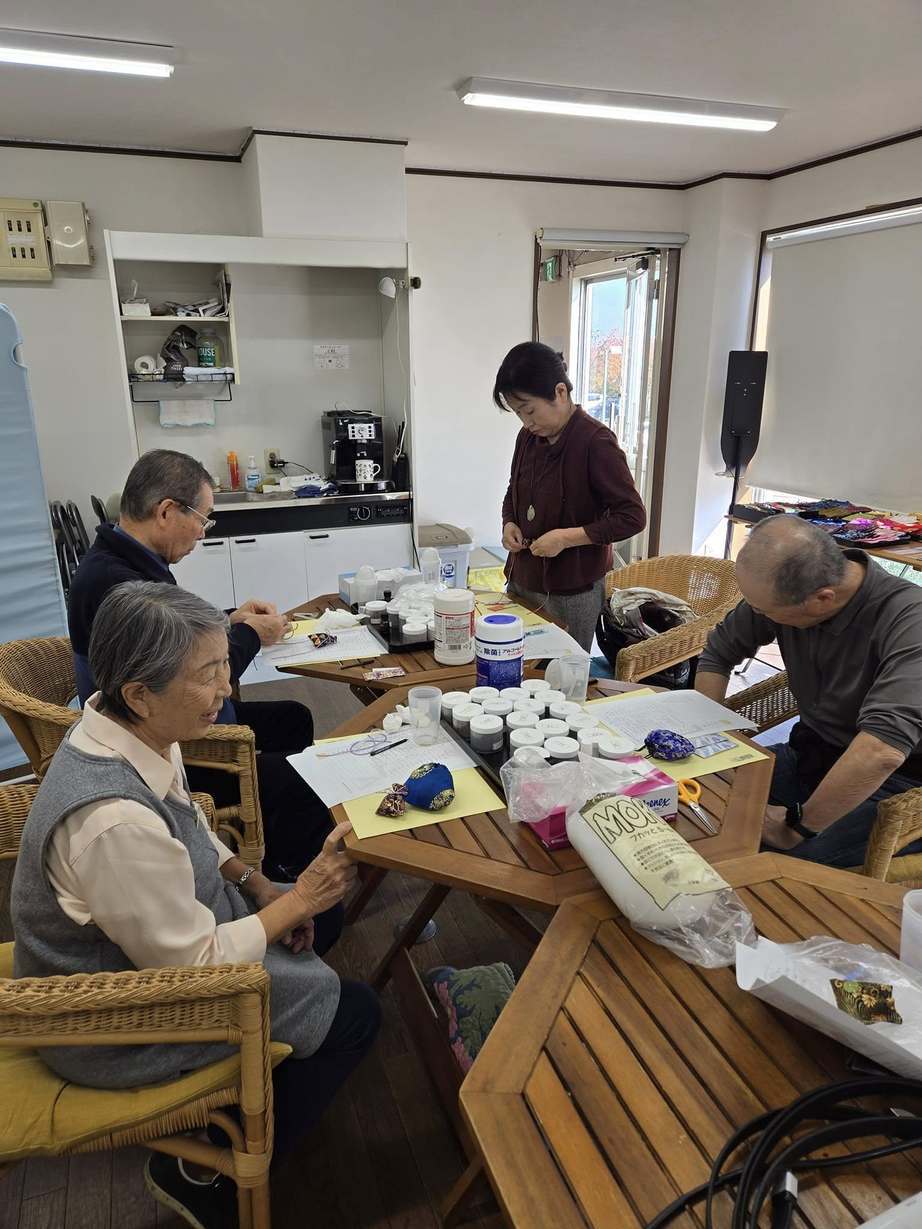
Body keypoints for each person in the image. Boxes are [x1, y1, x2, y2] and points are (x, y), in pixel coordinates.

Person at [12, 582, 379, 1229]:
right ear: (140, 693)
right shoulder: (111, 820)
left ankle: (266, 1069)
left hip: (158, 945)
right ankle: (209, 1173)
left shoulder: (130, 728)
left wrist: (256, 883)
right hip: (111, 1019)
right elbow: (194, 967)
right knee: (357, 1014)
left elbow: (190, 823)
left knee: (320, 920)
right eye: (207, 674)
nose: (225, 688)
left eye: (223, 667)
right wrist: (297, 898)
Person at [68, 449, 329, 879]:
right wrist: (250, 635)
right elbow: (197, 677)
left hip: (168, 719)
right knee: (307, 775)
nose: (203, 533)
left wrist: (230, 620)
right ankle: (286, 875)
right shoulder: (119, 584)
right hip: (171, 747)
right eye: (203, 519)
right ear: (166, 511)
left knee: (293, 718)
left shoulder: (123, 560)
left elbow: (174, 637)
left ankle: (275, 838)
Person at [696, 516, 922, 867]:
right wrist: (705, 742)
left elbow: (881, 751)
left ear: (822, 599)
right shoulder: (786, 589)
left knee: (764, 860)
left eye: (763, 611)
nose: (756, 614)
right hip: (811, 751)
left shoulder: (910, 621)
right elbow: (718, 653)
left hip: (898, 782)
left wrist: (797, 826)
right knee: (699, 798)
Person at [495, 342, 647, 650]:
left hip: (572, 590)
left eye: (530, 410)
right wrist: (509, 522)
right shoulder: (527, 438)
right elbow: (514, 490)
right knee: (515, 666)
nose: (526, 422)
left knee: (565, 671)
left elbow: (632, 517)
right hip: (523, 579)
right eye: (519, 414)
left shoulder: (595, 442)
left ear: (560, 392)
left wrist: (566, 538)